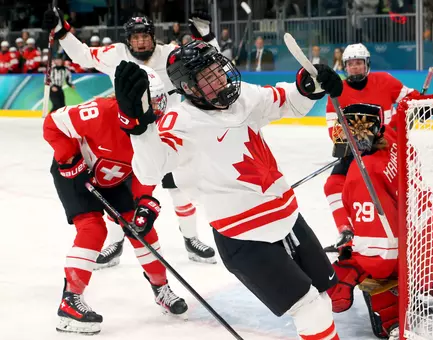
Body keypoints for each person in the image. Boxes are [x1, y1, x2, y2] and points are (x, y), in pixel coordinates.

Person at [114, 41, 344, 339]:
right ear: (189, 87)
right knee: (309, 307)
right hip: (244, 237)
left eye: (218, 70)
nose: (220, 79)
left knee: (327, 294)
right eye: (207, 77)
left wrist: (309, 84)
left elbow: (286, 100)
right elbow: (150, 170)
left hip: (288, 218)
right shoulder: (179, 122)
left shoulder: (243, 96)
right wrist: (140, 132)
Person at [42, 8, 218, 266]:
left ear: (153, 36)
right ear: (128, 40)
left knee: (179, 191)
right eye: (135, 38)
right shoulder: (115, 54)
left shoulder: (169, 53)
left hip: (168, 136)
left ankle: (191, 238)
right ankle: (115, 243)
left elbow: (208, 61)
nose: (141, 42)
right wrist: (61, 30)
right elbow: (82, 55)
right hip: (130, 138)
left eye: (145, 37)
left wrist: (206, 36)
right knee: (120, 196)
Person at [42, 66, 188, 335]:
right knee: (93, 228)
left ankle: (160, 288)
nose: (156, 110)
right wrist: (68, 158)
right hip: (76, 172)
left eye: (159, 102)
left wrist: (145, 201)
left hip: (116, 176)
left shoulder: (154, 128)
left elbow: (147, 170)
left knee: (141, 226)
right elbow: (52, 124)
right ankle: (70, 301)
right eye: (151, 103)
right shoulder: (98, 112)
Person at [323, 103, 433, 340]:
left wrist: (351, 259)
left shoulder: (364, 177)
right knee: (333, 185)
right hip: (424, 231)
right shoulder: (390, 136)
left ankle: (396, 307)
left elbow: (382, 252)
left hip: (403, 254)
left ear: (362, 134)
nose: (339, 134)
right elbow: (395, 125)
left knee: (354, 272)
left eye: (346, 129)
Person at [323, 43, 423, 238]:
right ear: (345, 66)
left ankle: (404, 231)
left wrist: (422, 105)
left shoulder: (384, 81)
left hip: (386, 150)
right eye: (351, 63)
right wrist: (351, 145)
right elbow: (333, 130)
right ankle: (346, 231)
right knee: (332, 185)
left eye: (359, 62)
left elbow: (411, 99)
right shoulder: (337, 92)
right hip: (356, 152)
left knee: (387, 192)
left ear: (367, 64)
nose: (355, 67)